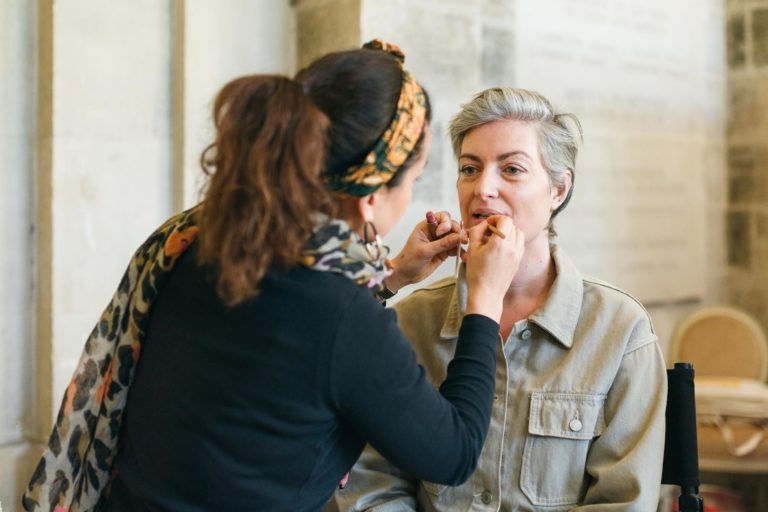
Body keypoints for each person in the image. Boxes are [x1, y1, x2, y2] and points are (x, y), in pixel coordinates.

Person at [21, 43, 526, 512]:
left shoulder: (199, 234)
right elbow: (452, 454)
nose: (484, 191)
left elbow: (287, 350)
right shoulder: (341, 314)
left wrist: (390, 278)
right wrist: (485, 299)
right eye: (415, 179)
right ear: (370, 195)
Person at [333, 87, 668, 511]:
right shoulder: (411, 320)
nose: (484, 189)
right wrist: (391, 275)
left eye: (512, 169)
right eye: (470, 169)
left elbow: (623, 502)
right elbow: (373, 485)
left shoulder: (620, 331)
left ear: (558, 191)